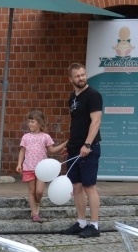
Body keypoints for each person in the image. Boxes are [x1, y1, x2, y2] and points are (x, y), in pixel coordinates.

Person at [60, 63, 103, 239]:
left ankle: (94, 225)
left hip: (89, 148)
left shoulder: (93, 95)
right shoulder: (72, 97)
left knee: (89, 186)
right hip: (74, 148)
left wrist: (87, 145)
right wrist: (69, 146)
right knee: (76, 187)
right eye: (77, 76)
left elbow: (96, 122)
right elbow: (76, 124)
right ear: (71, 79)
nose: (81, 78)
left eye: (83, 74)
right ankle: (81, 222)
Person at [16, 110, 67, 222]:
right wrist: (19, 164)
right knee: (31, 191)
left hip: (42, 169)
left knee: (39, 191)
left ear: (39, 123)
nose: (30, 124)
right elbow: (22, 151)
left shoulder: (45, 137)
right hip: (28, 167)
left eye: (32, 121)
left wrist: (65, 143)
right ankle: (34, 214)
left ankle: (37, 203)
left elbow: (52, 150)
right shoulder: (26, 137)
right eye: (29, 121)